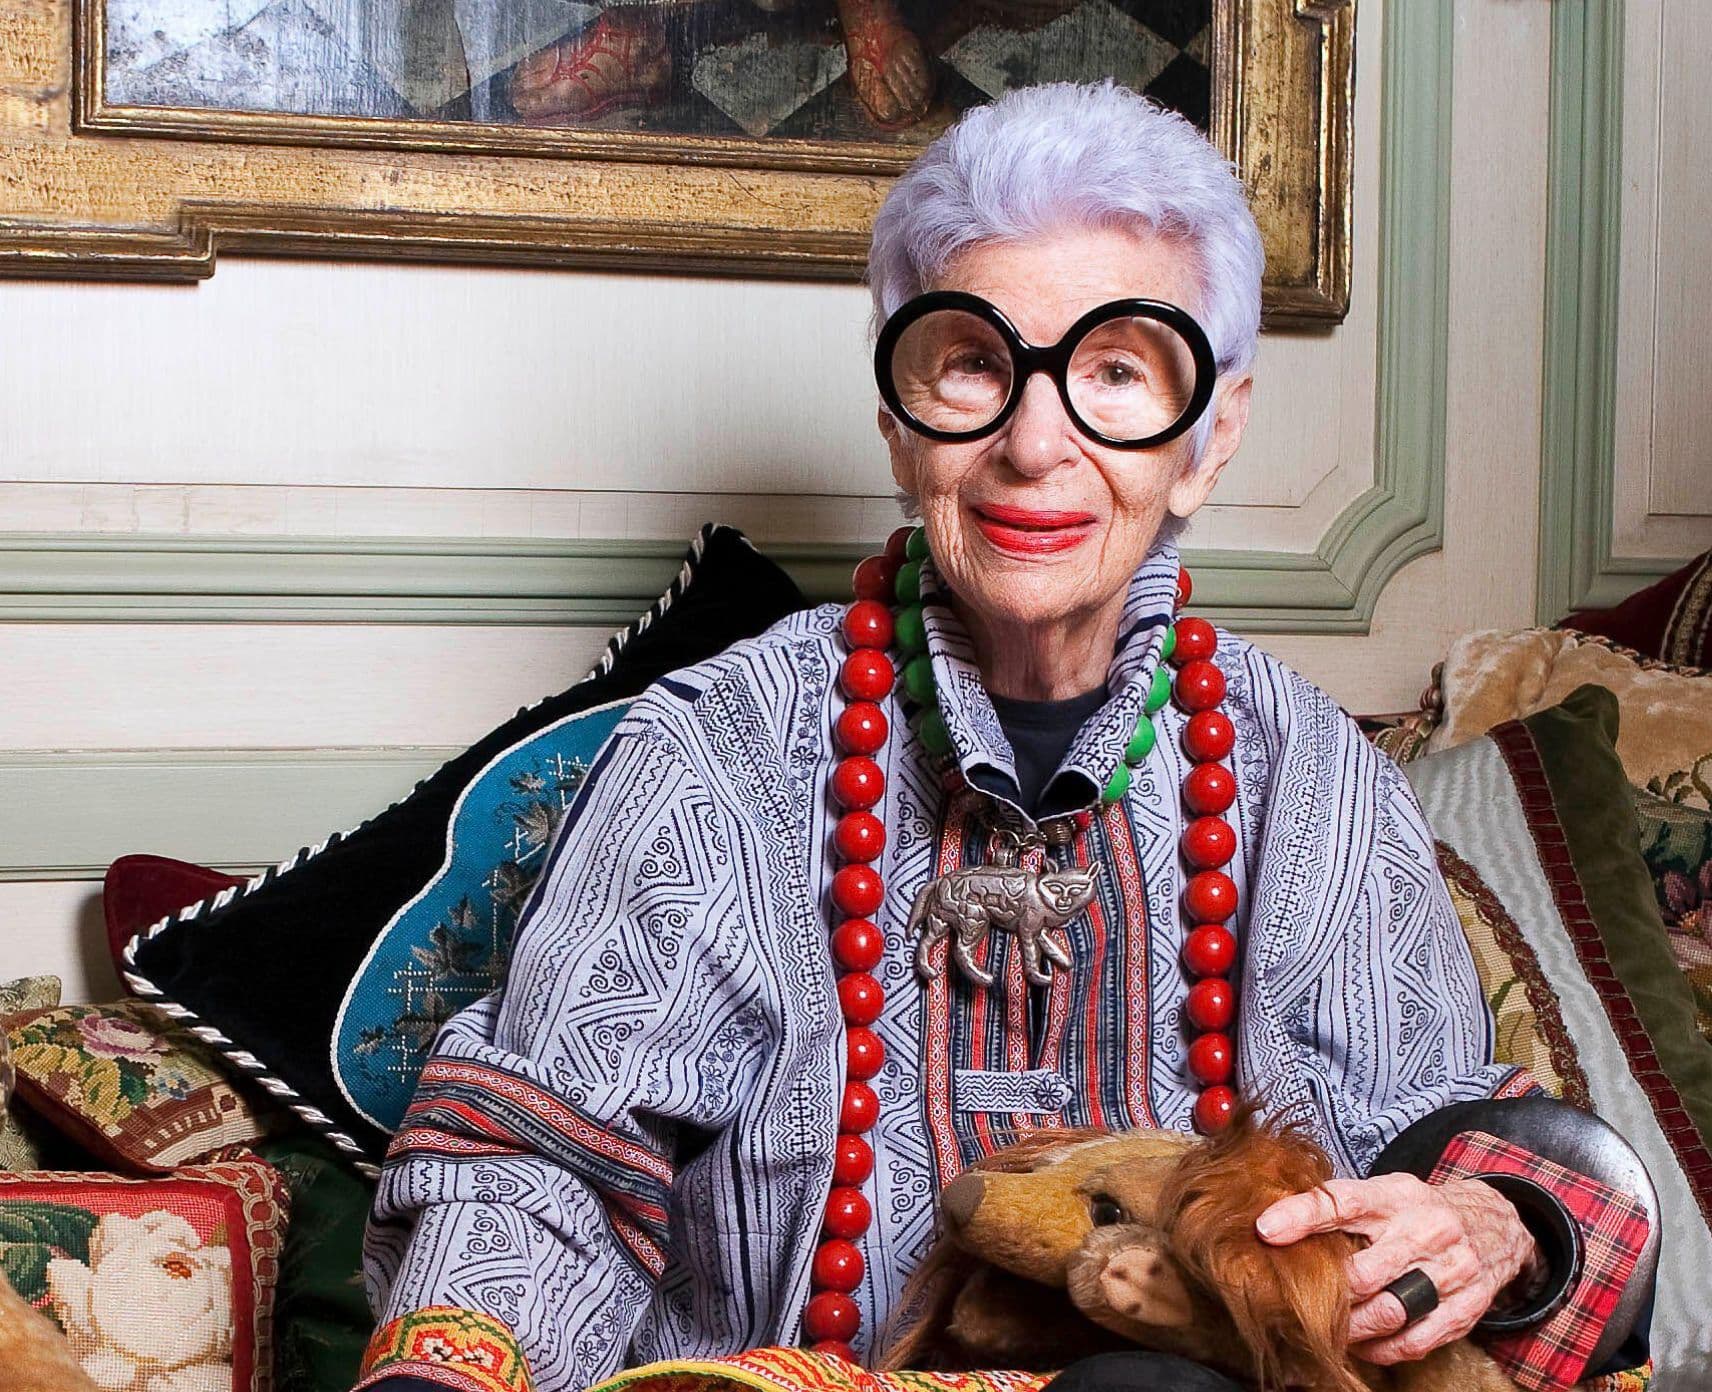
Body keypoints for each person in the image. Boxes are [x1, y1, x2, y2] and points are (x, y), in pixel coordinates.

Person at [356, 83, 1652, 1392]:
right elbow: (540, 1163)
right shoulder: (716, 753)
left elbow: (1444, 1148)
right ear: (898, 420)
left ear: (1209, 439)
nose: (1036, 444)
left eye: (1117, 372)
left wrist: (1499, 1224)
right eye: (976, 363)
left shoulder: (1316, 782)